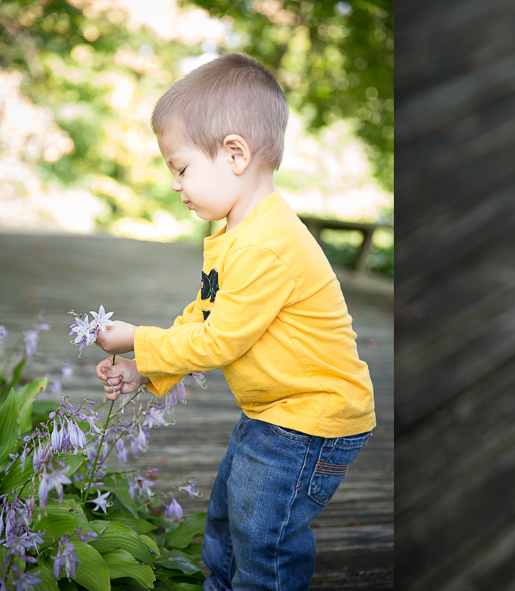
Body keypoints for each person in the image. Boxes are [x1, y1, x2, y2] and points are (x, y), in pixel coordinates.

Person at [93, 53, 376, 591]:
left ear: (235, 153)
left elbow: (218, 340)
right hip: (276, 410)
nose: (175, 184)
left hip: (310, 417)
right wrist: (143, 369)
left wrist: (138, 338)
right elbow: (204, 313)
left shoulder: (268, 245)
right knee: (226, 520)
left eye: (180, 168)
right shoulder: (237, 234)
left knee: (263, 541)